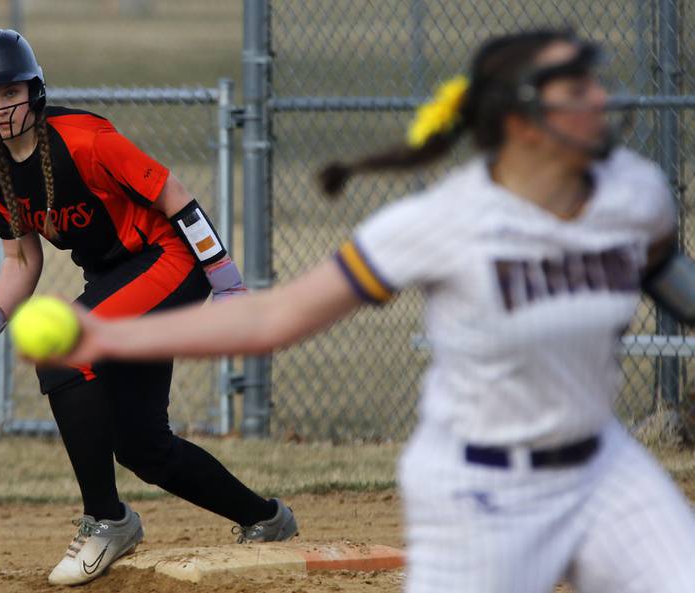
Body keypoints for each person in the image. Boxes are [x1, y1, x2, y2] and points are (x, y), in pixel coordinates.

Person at [46, 28, 695, 593]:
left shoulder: (632, 193)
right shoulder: (442, 221)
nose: (600, 97)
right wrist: (103, 333)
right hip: (484, 490)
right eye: (574, 88)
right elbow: (274, 318)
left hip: (605, 467)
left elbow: (671, 280)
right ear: (522, 120)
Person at [0, 29, 297, 587]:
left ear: (34, 91)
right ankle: (266, 518)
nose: (0, 108)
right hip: (117, 277)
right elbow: (20, 260)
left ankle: (107, 520)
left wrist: (227, 282)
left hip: (170, 260)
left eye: (9, 92)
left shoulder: (85, 139)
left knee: (62, 354)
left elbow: (176, 198)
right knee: (142, 446)